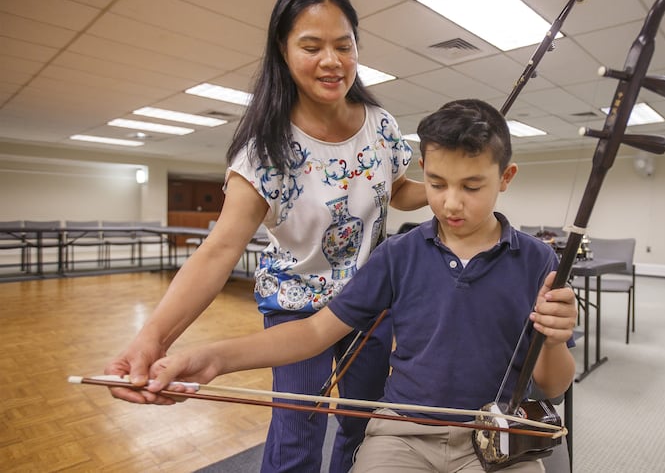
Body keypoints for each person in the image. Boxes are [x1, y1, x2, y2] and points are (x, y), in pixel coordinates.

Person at [142, 99, 578, 472]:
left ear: (506, 177)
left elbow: (553, 385)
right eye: (437, 183)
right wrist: (213, 357)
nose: (451, 202)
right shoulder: (397, 254)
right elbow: (313, 332)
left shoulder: (537, 261)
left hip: (495, 434)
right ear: (422, 169)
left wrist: (556, 340)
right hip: (402, 434)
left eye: (472, 186)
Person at [104, 0, 426, 473]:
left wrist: (448, 190)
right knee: (298, 435)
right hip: (295, 306)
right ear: (282, 50)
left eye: (344, 45)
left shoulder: (380, 125)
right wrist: (154, 338)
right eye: (311, 46)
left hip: (367, 302)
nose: (332, 60)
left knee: (363, 426)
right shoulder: (265, 150)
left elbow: (398, 189)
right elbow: (218, 251)